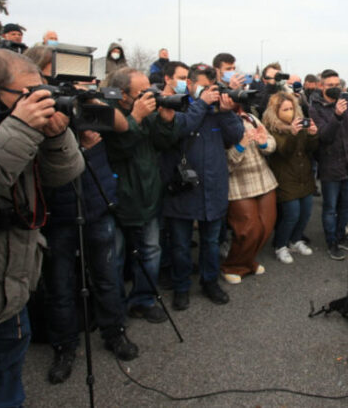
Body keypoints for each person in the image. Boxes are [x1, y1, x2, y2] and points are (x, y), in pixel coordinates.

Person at [0, 48, 85, 407]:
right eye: (27, 94)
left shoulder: (24, 128)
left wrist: (54, 136)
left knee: (6, 389)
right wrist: (20, 126)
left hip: (13, 283)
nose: (39, 100)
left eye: (41, 91)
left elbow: (64, 174)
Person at [22, 46, 138, 384]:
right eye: (52, 72)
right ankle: (64, 346)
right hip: (57, 208)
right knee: (59, 283)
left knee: (106, 275)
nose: (61, 78)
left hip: (95, 200)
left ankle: (114, 333)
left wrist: (88, 99)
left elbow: (121, 126)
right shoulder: (32, 106)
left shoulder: (82, 99)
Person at [162, 63, 243, 305]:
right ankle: (181, 287)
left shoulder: (218, 110)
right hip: (183, 187)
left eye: (212, 86)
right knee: (180, 245)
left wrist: (227, 112)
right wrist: (202, 103)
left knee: (210, 242)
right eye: (204, 86)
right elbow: (181, 128)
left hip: (213, 185)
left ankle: (210, 282)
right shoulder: (179, 104)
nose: (210, 91)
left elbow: (237, 136)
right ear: (190, 84)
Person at [103, 67, 177, 323]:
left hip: (148, 195)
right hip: (119, 199)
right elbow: (117, 150)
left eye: (150, 90)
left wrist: (166, 120)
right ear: (123, 95)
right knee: (114, 259)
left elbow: (163, 143)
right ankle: (113, 310)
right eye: (142, 92)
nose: (149, 95)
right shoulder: (108, 113)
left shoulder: (148, 112)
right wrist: (134, 118)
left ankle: (143, 300)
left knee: (151, 251)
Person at [309, 69, 348, 260]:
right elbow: (324, 136)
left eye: (337, 85)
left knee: (347, 205)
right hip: (330, 165)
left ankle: (342, 235)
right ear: (321, 86)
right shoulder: (315, 107)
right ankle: (332, 241)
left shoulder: (347, 101)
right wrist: (336, 115)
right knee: (331, 207)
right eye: (330, 85)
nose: (334, 88)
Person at [222, 106, 277, 284]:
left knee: (266, 226)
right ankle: (232, 266)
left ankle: (247, 262)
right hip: (238, 185)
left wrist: (263, 142)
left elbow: (271, 143)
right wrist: (241, 145)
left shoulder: (250, 118)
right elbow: (224, 163)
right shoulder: (219, 122)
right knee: (248, 229)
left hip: (264, 180)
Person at [263, 92, 319, 263]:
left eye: (291, 108)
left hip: (305, 175)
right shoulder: (273, 128)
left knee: (306, 212)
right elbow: (284, 151)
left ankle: (295, 240)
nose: (290, 112)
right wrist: (293, 134)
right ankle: (280, 245)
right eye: (285, 109)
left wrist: (312, 134)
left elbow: (311, 149)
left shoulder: (300, 123)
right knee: (291, 214)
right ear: (276, 111)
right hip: (285, 177)